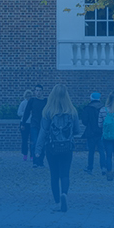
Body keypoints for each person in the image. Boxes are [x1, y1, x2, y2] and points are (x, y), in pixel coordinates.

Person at [35, 84, 84, 212]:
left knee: (54, 175)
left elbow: (43, 131)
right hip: (67, 147)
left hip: (51, 147)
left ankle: (57, 202)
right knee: (65, 174)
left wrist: (38, 149)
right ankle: (64, 194)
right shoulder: (72, 111)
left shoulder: (48, 111)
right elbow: (77, 131)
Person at [22, 85, 47, 167]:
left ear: (42, 91)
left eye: (39, 90)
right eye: (36, 90)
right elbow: (26, 112)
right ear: (35, 91)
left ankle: (41, 161)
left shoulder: (45, 101)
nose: (38, 92)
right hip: (34, 124)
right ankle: (35, 161)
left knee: (42, 143)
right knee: (34, 142)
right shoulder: (32, 101)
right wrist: (23, 123)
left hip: (43, 125)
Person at [80, 92, 104, 173]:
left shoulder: (87, 108)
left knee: (91, 151)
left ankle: (90, 167)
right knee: (101, 150)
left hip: (91, 132)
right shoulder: (103, 108)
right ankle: (103, 167)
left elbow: (85, 122)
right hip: (101, 132)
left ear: (91, 98)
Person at [17, 89, 33, 161]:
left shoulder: (33, 103)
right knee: (25, 139)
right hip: (24, 123)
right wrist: (26, 113)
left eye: (30, 96)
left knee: (32, 140)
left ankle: (32, 154)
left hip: (32, 123)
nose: (28, 97)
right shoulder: (23, 103)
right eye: (27, 96)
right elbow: (19, 113)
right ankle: (25, 154)